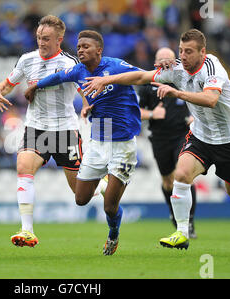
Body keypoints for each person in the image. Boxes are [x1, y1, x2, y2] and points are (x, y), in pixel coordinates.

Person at [82, 28, 230, 250]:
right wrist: (108, 79)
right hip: (200, 137)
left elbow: (210, 99)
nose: (184, 56)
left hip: (228, 141)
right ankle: (182, 232)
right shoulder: (177, 69)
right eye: (181, 50)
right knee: (181, 174)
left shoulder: (212, 67)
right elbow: (141, 76)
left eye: (189, 51)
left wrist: (176, 93)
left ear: (203, 52)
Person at [24, 30, 142, 255]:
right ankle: (106, 182)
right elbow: (58, 77)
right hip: (99, 139)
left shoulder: (115, 66)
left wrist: (109, 79)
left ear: (99, 50)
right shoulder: (78, 69)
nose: (81, 50)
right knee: (80, 199)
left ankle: (113, 233)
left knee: (109, 206)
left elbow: (142, 76)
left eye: (86, 46)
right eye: (79, 47)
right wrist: (35, 86)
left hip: (123, 143)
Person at [0, 15, 83, 248]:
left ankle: (106, 187)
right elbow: (9, 84)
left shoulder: (68, 63)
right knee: (23, 166)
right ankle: (27, 230)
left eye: (47, 39)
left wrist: (89, 105)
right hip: (37, 127)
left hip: (65, 129)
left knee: (81, 193)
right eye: (39, 38)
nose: (41, 43)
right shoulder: (27, 59)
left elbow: (85, 87)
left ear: (59, 40)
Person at [136, 47, 198, 239]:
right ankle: (174, 212)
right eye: (160, 59)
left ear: (176, 61)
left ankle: (188, 220)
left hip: (182, 135)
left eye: (168, 59)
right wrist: (153, 114)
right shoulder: (148, 84)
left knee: (184, 174)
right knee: (167, 181)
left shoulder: (184, 80)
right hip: (159, 138)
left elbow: (200, 102)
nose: (164, 62)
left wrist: (195, 118)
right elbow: (135, 112)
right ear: (155, 61)